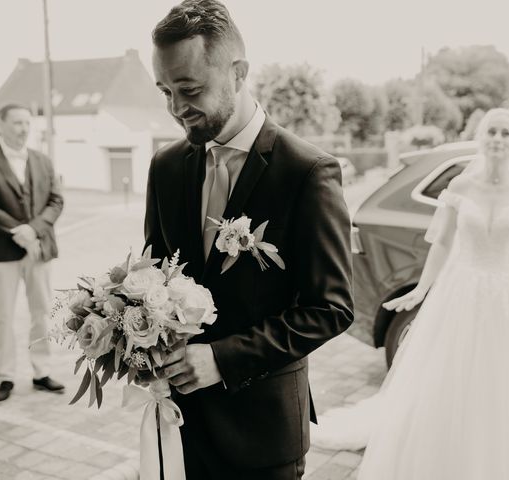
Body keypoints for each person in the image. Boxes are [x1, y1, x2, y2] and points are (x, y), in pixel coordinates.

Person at [312, 108, 509, 479]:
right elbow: (442, 243)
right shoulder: (461, 187)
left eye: (506, 133)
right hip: (463, 292)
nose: (497, 138)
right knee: (450, 373)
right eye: (491, 131)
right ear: (481, 136)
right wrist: (422, 289)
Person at [144, 1, 354, 478]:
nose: (177, 109)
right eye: (165, 91)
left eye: (190, 89)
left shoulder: (307, 172)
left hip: (262, 431)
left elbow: (331, 308)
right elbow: (156, 273)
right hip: (182, 422)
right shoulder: (166, 166)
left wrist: (221, 358)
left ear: (238, 72)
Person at [0, 103, 65, 403]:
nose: (23, 129)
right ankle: (5, 376)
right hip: (1, 250)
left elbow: (56, 200)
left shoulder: (42, 160)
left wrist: (33, 230)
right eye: (17, 123)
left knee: (42, 313)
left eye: (27, 123)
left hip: (39, 248)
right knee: (2, 317)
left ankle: (41, 371)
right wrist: (18, 231)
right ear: (0, 124)